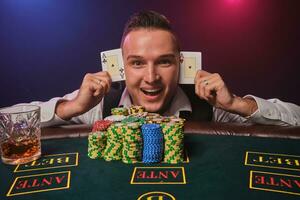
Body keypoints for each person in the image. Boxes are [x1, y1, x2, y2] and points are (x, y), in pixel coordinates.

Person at [28, 11, 299, 127]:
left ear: (181, 64)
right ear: (121, 66)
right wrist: (71, 108)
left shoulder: (210, 104)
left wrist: (237, 104)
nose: (151, 78)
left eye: (164, 61)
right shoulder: (97, 103)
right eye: (137, 62)